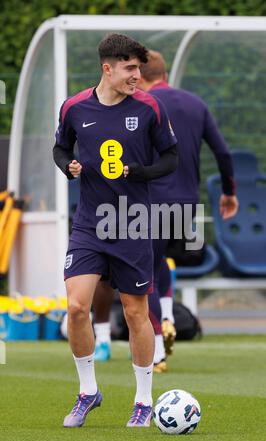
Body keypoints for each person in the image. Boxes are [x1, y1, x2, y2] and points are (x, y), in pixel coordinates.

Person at [53, 34, 178, 428]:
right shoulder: (74, 107)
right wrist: (67, 166)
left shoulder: (149, 108)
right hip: (89, 223)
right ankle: (88, 392)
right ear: (107, 68)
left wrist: (141, 171)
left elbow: (171, 157)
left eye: (139, 69)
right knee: (76, 308)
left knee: (135, 311)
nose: (136, 76)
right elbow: (60, 148)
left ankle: (143, 400)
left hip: (133, 223)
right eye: (129, 68)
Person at [92, 50, 239, 369]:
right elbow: (223, 154)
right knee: (161, 261)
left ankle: (156, 347)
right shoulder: (195, 103)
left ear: (140, 76)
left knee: (144, 274)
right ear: (167, 74)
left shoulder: (139, 105)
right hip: (186, 205)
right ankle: (170, 316)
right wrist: (229, 192)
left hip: (146, 205)